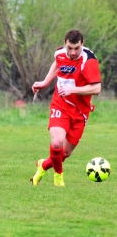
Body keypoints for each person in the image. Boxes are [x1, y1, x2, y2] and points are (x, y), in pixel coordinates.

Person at [30, 29, 101, 187]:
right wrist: (44, 82)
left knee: (65, 153)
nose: (73, 52)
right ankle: (58, 176)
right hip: (60, 104)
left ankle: (43, 165)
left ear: (82, 44)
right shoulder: (60, 53)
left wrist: (73, 90)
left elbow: (96, 88)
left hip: (80, 112)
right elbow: (57, 64)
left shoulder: (88, 60)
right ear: (65, 44)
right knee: (57, 143)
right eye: (70, 48)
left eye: (77, 48)